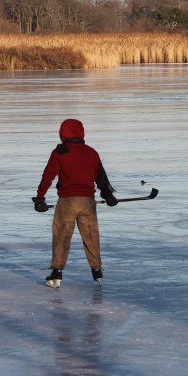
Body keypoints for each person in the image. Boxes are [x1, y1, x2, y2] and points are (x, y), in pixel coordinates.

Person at [32, 119, 117, 288]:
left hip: (67, 202)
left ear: (63, 133)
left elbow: (48, 176)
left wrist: (40, 197)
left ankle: (57, 271)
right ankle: (96, 269)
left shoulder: (60, 152)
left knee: (62, 236)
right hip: (87, 202)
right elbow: (101, 177)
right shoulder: (92, 152)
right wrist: (108, 195)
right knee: (91, 235)